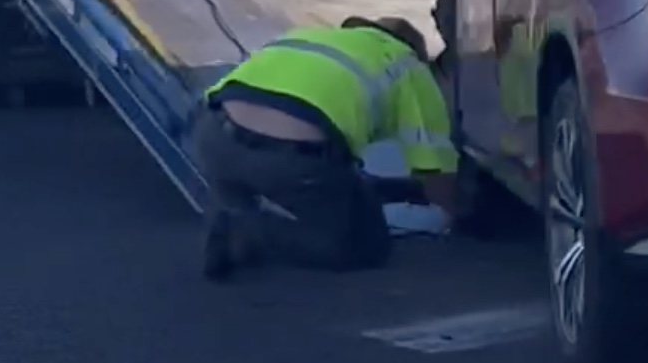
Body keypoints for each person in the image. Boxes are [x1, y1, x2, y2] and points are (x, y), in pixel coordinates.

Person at [190, 16, 460, 281]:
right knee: (361, 249)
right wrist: (460, 210)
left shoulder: (307, 37)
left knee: (330, 176)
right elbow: (435, 172)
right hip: (288, 159)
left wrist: (409, 191)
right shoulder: (408, 67)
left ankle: (230, 226)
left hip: (213, 136)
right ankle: (244, 231)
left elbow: (343, 181)